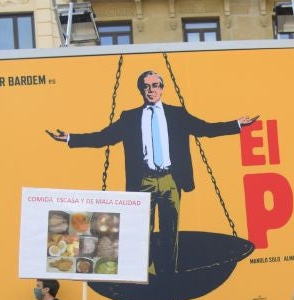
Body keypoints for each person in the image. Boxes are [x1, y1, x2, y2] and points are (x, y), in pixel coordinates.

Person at [47, 71, 258, 273]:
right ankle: (146, 273)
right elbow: (104, 137)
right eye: (146, 86)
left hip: (170, 180)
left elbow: (206, 129)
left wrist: (236, 125)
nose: (151, 90)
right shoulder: (129, 117)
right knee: (142, 232)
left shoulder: (177, 114)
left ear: (162, 88)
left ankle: (169, 272)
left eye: (155, 86)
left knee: (170, 232)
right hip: (142, 182)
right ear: (141, 90)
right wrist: (70, 138)